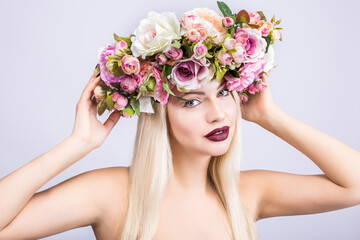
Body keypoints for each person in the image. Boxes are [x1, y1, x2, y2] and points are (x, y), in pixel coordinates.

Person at [0, 69, 359, 240]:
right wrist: (77, 144)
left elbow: (353, 186)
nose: (218, 113)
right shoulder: (111, 193)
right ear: (159, 115)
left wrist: (269, 116)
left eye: (223, 93)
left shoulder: (246, 193)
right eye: (191, 101)